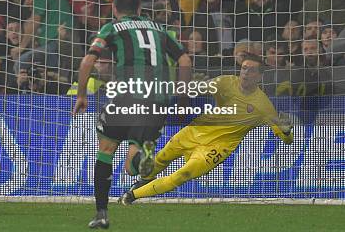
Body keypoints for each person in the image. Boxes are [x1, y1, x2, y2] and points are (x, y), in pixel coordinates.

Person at [72, 0, 191, 229]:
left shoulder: (112, 28)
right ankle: (142, 158)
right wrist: (183, 100)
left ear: (114, 9)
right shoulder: (161, 30)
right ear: (140, 9)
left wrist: (82, 94)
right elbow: (185, 61)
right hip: (156, 101)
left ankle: (102, 213)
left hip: (125, 97)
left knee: (105, 149)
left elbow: (88, 61)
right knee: (130, 164)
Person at [119, 53, 294, 204]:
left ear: (259, 77)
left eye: (251, 70)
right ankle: (145, 181)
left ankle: (132, 195)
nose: (245, 73)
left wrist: (286, 132)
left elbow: (287, 141)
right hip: (195, 130)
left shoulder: (263, 105)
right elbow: (200, 89)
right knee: (162, 158)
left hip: (217, 147)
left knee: (182, 175)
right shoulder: (226, 82)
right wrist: (195, 85)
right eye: (244, 68)